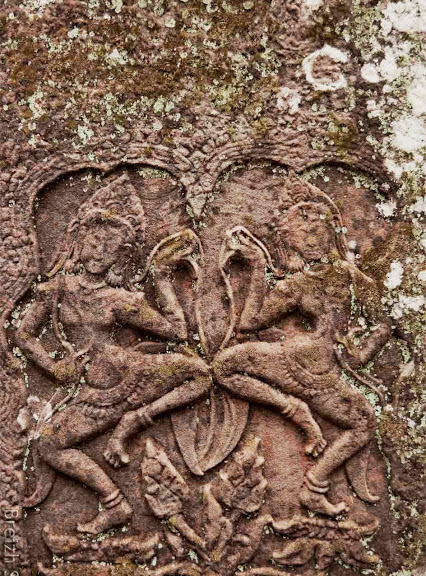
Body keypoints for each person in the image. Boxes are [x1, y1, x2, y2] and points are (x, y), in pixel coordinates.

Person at [16, 173, 211, 534]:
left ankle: (135, 422)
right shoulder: (56, 290)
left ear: (121, 257)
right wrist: (54, 367)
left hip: (132, 376)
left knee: (199, 372)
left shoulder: (121, 301)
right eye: (94, 242)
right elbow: (23, 333)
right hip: (93, 392)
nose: (98, 252)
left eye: (110, 246)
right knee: (49, 445)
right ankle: (115, 504)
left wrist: (162, 278)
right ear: (79, 243)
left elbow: (176, 331)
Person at [213, 174, 390, 516]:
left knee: (364, 424)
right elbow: (251, 322)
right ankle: (293, 411)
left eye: (317, 229)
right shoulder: (296, 284)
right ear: (289, 242)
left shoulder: (354, 278)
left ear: (332, 231)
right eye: (301, 234)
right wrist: (258, 266)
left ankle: (314, 487)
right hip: (293, 361)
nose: (310, 239)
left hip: (324, 371)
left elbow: (383, 322)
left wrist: (362, 352)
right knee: (224, 365)